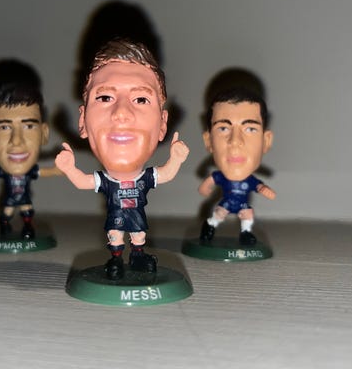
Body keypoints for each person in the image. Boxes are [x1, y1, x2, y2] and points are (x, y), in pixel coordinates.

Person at [55, 39, 189, 280]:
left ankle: (138, 255)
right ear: (82, 121)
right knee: (115, 235)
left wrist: (176, 160)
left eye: (141, 99)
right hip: (116, 215)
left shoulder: (144, 178)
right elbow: (83, 181)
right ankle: (116, 259)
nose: (122, 114)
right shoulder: (107, 181)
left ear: (163, 124)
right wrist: (69, 169)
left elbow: (166, 174)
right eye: (105, 97)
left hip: (136, 215)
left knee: (138, 235)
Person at [0, 82, 61, 239]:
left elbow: (42, 172)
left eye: (28, 126)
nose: (16, 141)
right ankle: (5, 225)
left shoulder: (29, 172)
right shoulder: (5, 172)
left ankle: (28, 227)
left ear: (44, 134)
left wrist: (56, 171)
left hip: (24, 197)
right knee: (7, 212)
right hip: (10, 198)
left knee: (27, 211)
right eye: (4, 127)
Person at [199, 87, 275, 246]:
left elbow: (258, 186)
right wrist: (205, 187)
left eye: (250, 129)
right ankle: (210, 225)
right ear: (208, 141)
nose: (235, 141)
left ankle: (246, 232)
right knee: (219, 214)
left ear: (266, 141)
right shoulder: (221, 176)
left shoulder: (250, 180)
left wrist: (264, 189)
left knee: (248, 214)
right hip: (226, 203)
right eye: (223, 128)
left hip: (242, 204)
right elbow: (212, 180)